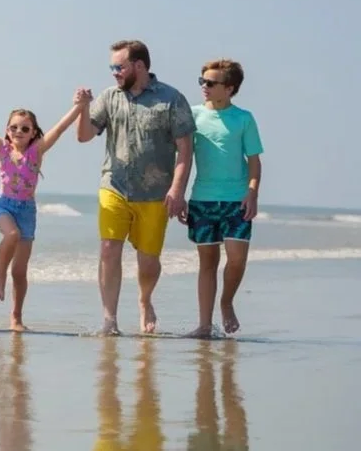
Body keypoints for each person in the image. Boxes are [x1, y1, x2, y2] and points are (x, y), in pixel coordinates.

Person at [75, 39, 195, 335]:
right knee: (108, 249)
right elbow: (84, 136)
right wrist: (83, 108)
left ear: (139, 66)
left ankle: (145, 299)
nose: (114, 72)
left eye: (119, 66)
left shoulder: (172, 99)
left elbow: (185, 149)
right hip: (113, 186)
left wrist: (177, 190)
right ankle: (109, 319)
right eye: (112, 67)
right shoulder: (109, 97)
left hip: (156, 193)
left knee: (149, 260)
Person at [0, 91, 90, 331]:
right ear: (7, 130)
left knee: (21, 272)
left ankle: (16, 317)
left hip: (27, 211)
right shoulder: (0, 148)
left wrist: (79, 106)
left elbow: (61, 127)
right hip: (3, 205)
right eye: (14, 127)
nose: (18, 132)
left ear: (34, 133)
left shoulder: (37, 151)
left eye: (25, 129)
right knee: (11, 235)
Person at [180, 59, 263, 337]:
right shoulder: (192, 116)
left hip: (237, 200)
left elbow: (254, 160)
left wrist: (252, 192)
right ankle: (204, 324)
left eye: (211, 83)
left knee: (237, 259)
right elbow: (183, 158)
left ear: (229, 88)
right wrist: (178, 193)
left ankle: (226, 302)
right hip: (202, 199)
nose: (204, 86)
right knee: (208, 262)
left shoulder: (244, 118)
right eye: (202, 81)